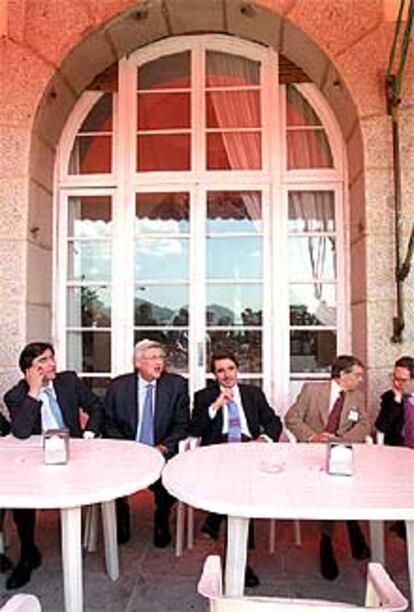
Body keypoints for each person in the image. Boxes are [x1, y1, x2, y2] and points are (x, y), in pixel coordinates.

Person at [3, 341, 103, 590]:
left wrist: (89, 433)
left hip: (75, 452)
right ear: (29, 371)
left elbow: (95, 406)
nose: (52, 364)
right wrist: (34, 392)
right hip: (36, 458)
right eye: (43, 362)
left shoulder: (68, 381)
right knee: (19, 496)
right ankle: (28, 554)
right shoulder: (16, 396)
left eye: (51, 358)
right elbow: (22, 432)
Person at [189, 349, 282, 588]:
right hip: (218, 451)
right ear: (214, 375)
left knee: (243, 493)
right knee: (240, 494)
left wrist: (263, 440)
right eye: (221, 370)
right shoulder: (203, 396)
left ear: (237, 370)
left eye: (230, 369)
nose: (227, 375)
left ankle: (217, 523)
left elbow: (274, 421)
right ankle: (240, 562)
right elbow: (195, 430)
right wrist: (215, 406)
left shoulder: (253, 394)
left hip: (248, 447)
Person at [285, 354, 371, 581]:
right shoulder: (312, 390)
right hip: (313, 453)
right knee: (331, 487)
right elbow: (291, 419)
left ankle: (349, 529)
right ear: (342, 375)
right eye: (357, 375)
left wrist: (340, 441)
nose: (361, 380)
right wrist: (313, 437)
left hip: (343, 450)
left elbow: (364, 425)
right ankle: (328, 544)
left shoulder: (357, 396)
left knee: (345, 480)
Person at [104, 339, 189, 548]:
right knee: (112, 477)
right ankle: (121, 515)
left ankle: (162, 517)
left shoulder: (176, 385)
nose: (159, 362)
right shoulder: (119, 386)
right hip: (126, 449)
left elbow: (182, 424)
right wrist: (128, 448)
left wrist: (163, 447)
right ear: (138, 363)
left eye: (161, 357)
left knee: (167, 480)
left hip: (161, 448)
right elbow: (108, 422)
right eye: (153, 358)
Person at [375, 355, 414, 540]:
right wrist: (397, 401)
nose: (397, 383)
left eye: (403, 380)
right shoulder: (389, 398)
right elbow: (381, 426)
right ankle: (403, 522)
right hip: (398, 452)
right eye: (395, 378)